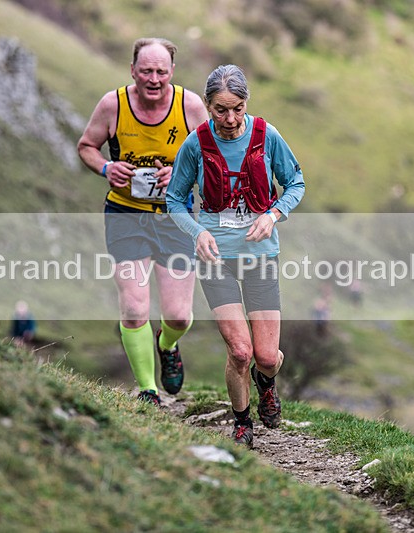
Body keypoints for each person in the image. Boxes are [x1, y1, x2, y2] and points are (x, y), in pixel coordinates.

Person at [166, 64, 305, 447]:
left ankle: (267, 383)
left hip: (260, 255)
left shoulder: (267, 136)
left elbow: (295, 183)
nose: (229, 119)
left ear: (247, 104)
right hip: (216, 258)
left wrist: (273, 215)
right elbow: (174, 199)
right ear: (208, 106)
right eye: (220, 110)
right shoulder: (195, 144)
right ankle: (242, 422)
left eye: (237, 109)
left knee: (265, 356)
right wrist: (197, 233)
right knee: (240, 351)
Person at [77, 38, 209, 406]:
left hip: (176, 218)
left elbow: (213, 158)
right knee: (134, 308)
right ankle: (148, 391)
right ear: (132, 70)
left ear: (172, 73)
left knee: (179, 316)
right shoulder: (112, 105)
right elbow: (86, 146)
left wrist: (183, 175)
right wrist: (106, 167)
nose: (154, 79)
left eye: (161, 72)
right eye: (146, 71)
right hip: (125, 215)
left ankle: (167, 344)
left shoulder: (190, 106)